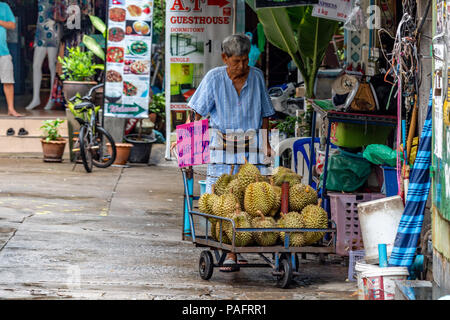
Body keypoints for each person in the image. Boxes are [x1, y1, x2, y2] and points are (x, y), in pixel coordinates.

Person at [185, 34, 276, 272]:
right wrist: (189, 147)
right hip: (222, 146)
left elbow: (266, 113)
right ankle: (228, 251)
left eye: (245, 61)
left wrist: (266, 143)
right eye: (236, 61)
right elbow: (196, 112)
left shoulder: (256, 77)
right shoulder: (214, 78)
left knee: (250, 199)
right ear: (225, 58)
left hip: (251, 147)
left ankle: (241, 248)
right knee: (224, 202)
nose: (242, 67)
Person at [0, 1, 23, 117]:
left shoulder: (4, 7)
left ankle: (11, 109)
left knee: (8, 81)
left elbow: (12, 25)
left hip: (3, 51)